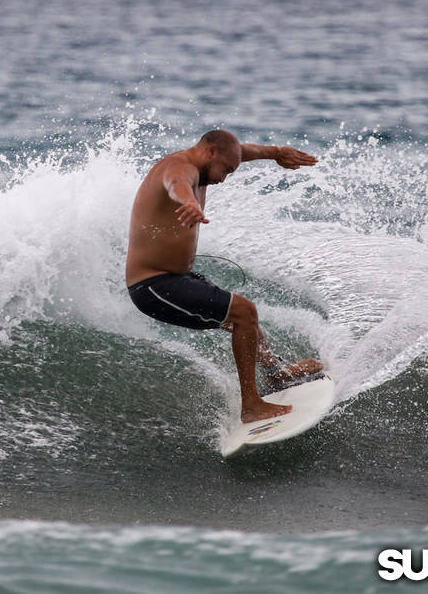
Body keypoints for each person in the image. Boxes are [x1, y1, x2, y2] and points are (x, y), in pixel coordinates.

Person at [125, 130, 324, 423]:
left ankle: (277, 375)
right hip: (152, 285)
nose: (224, 178)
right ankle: (251, 406)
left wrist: (277, 152)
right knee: (244, 312)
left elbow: (243, 151)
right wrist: (188, 202)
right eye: (226, 170)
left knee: (245, 320)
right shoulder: (180, 168)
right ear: (209, 153)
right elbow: (176, 184)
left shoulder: (212, 160)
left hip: (178, 278)